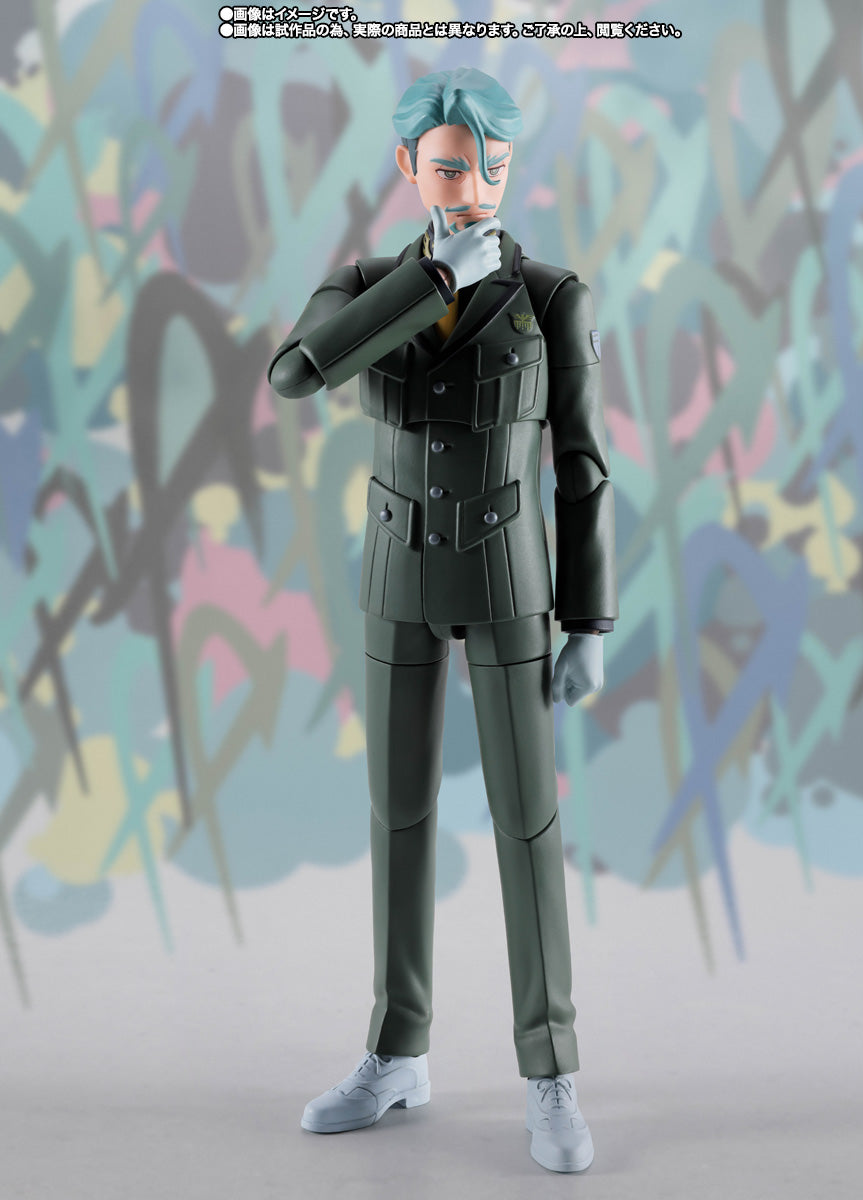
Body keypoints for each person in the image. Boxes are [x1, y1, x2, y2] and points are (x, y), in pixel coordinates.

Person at [268, 66, 618, 1174]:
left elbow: (582, 468)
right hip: (398, 574)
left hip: (511, 576)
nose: (476, 188)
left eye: (493, 167)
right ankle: (396, 1048)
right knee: (398, 817)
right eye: (455, 168)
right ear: (410, 168)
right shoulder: (367, 285)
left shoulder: (551, 296)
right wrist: (427, 283)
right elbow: (297, 372)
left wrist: (590, 622)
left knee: (527, 826)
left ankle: (551, 1068)